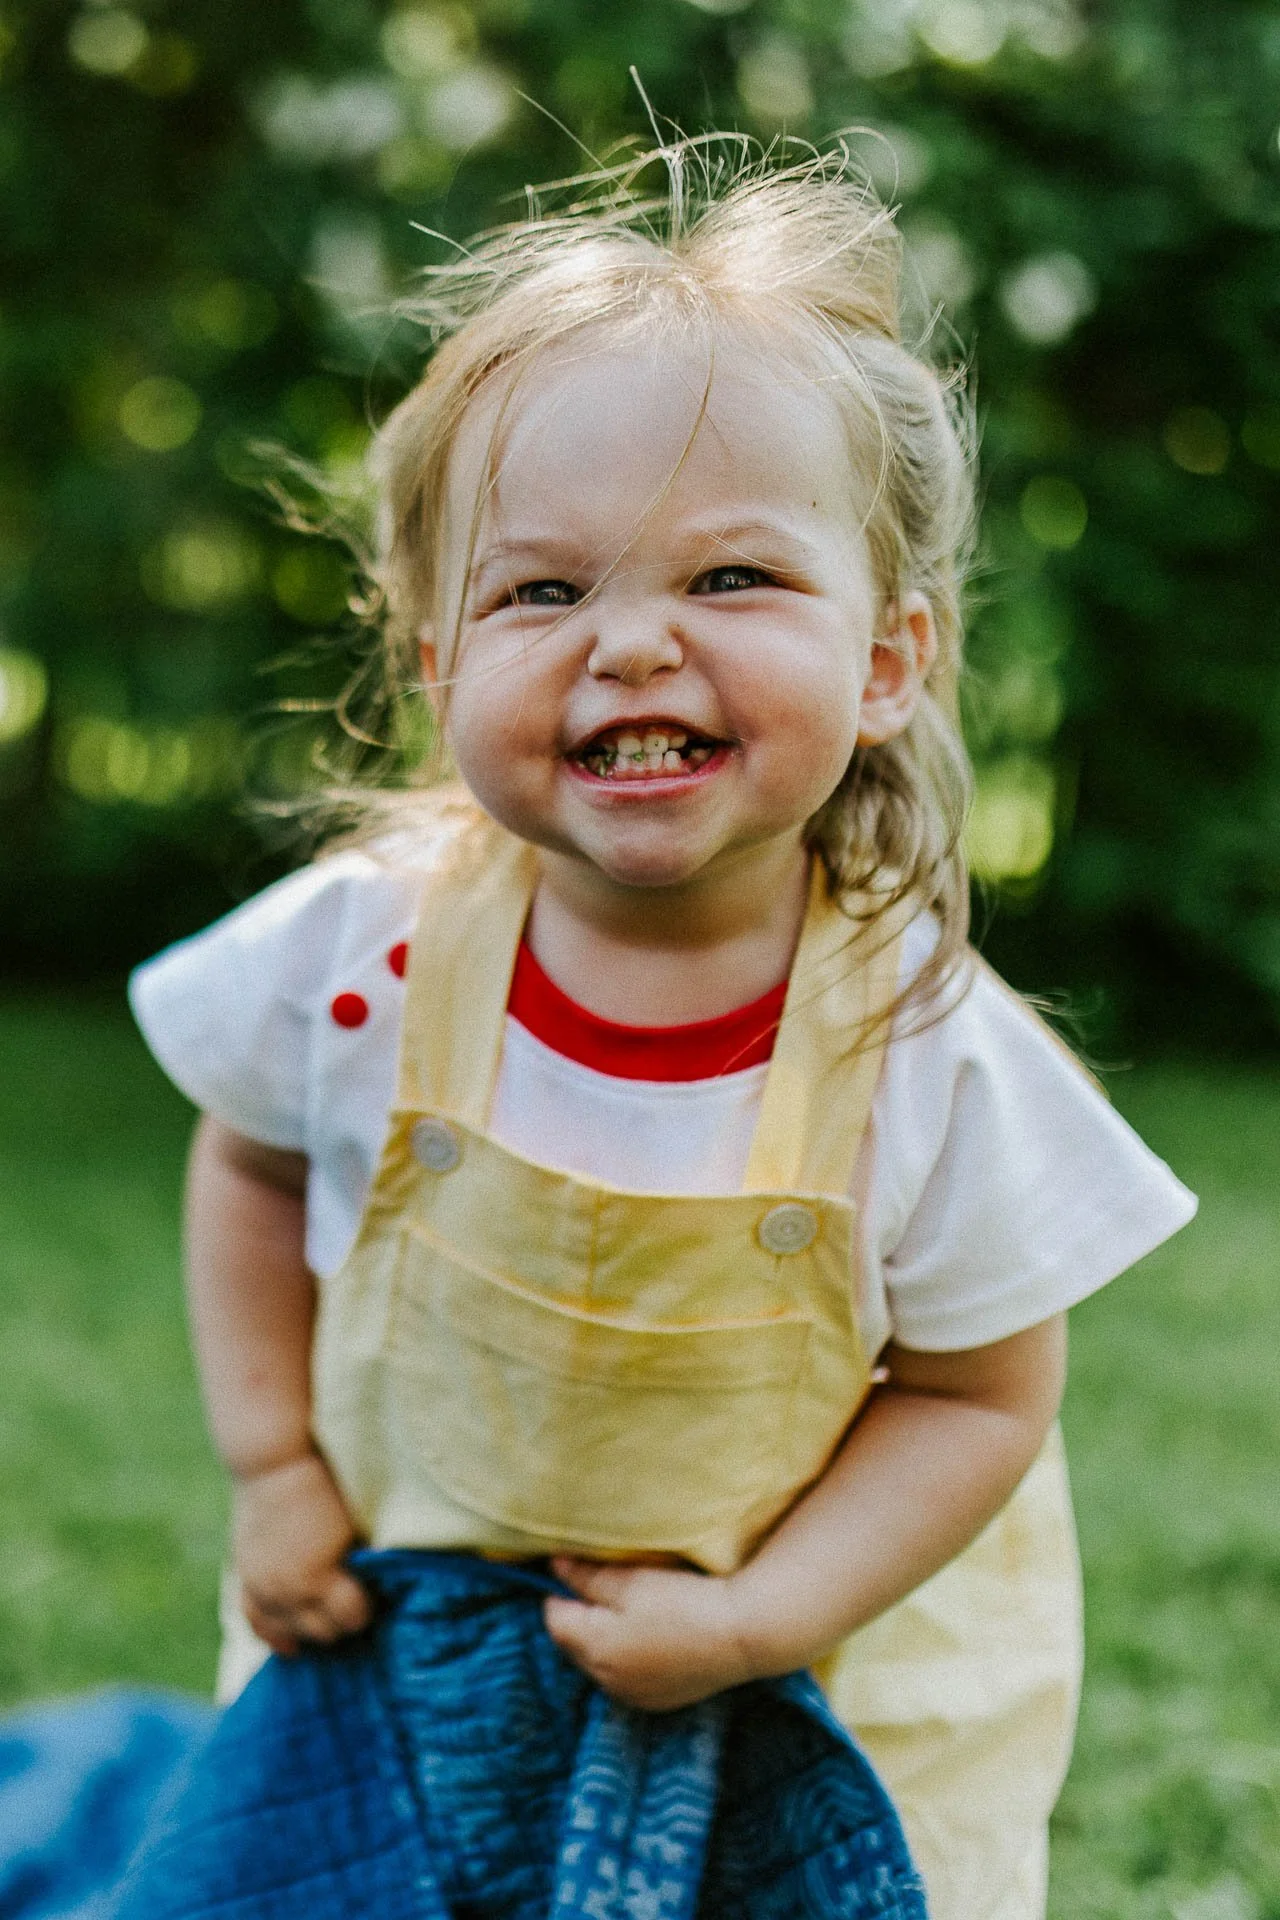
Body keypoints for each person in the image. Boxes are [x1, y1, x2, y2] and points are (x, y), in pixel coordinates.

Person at [130, 140, 1195, 1920]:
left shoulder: (927, 1049)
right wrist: (272, 1467)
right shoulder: (355, 956)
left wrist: (755, 1622)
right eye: (543, 593)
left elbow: (979, 1396)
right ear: (432, 658)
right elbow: (245, 1164)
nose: (631, 646)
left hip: (808, 1674)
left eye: (731, 582)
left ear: (888, 660)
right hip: (407, 1643)